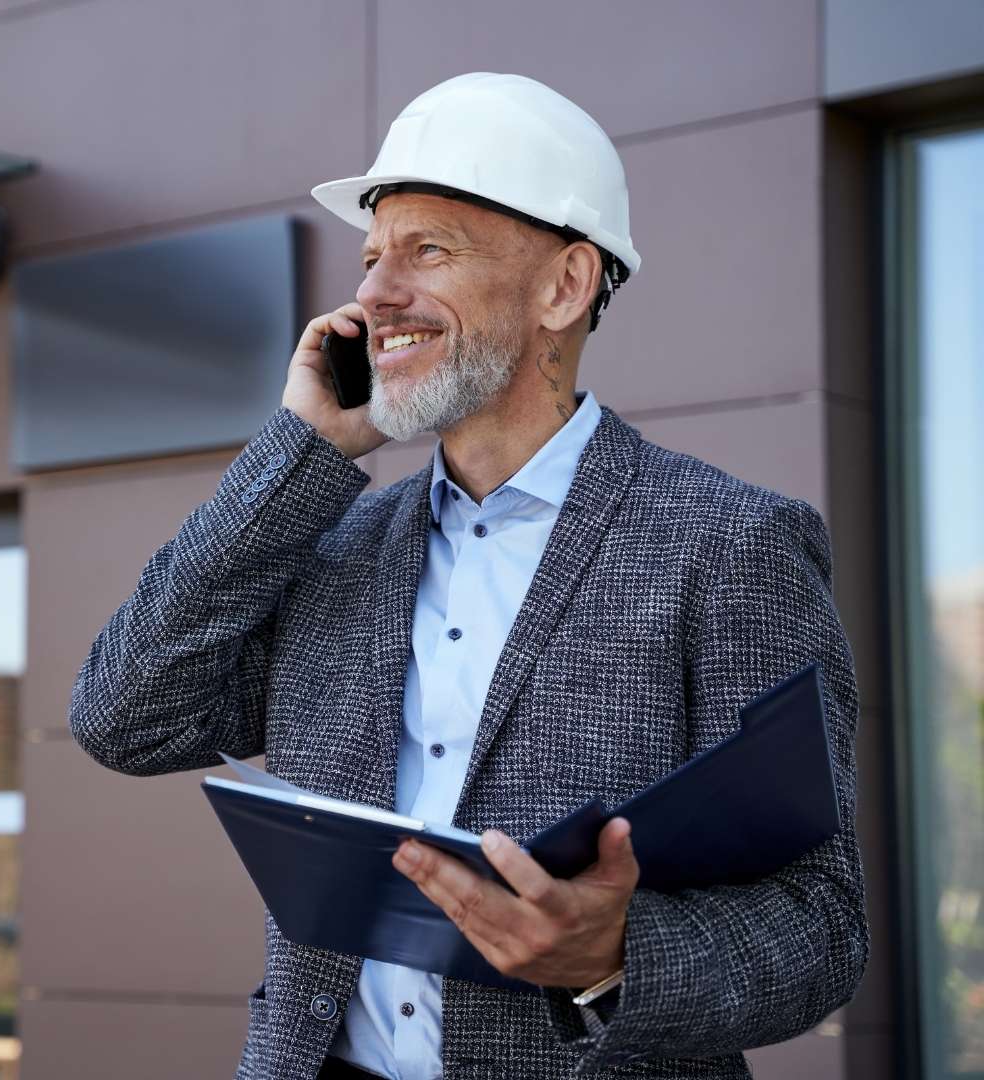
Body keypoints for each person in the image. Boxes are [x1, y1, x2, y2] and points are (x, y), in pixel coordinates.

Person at [69, 73, 867, 1079]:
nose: (372, 294)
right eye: (370, 258)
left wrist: (616, 957)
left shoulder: (730, 545)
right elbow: (122, 715)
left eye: (427, 252)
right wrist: (302, 451)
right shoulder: (332, 546)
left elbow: (822, 927)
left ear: (563, 287)